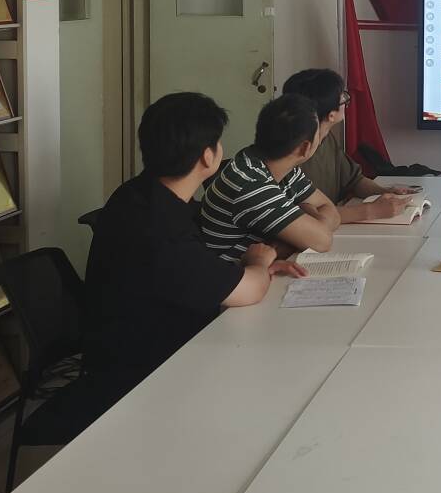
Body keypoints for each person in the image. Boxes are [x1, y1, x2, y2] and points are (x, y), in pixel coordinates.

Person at [84, 93, 305, 406]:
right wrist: (258, 261)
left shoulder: (139, 194)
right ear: (207, 156)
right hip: (147, 376)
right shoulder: (161, 229)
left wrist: (243, 270)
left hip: (139, 345)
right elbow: (250, 290)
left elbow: (193, 270)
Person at [199, 93, 341, 260]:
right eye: (319, 134)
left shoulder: (282, 167)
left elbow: (332, 213)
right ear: (305, 147)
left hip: (265, 267)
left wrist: (307, 218)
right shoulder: (250, 182)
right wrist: (306, 218)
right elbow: (322, 241)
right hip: (235, 274)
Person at [282, 68, 417, 222]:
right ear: (331, 115)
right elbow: (306, 217)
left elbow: (354, 180)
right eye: (343, 98)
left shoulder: (326, 138)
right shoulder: (291, 155)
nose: (346, 101)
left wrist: (385, 193)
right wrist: (371, 211)